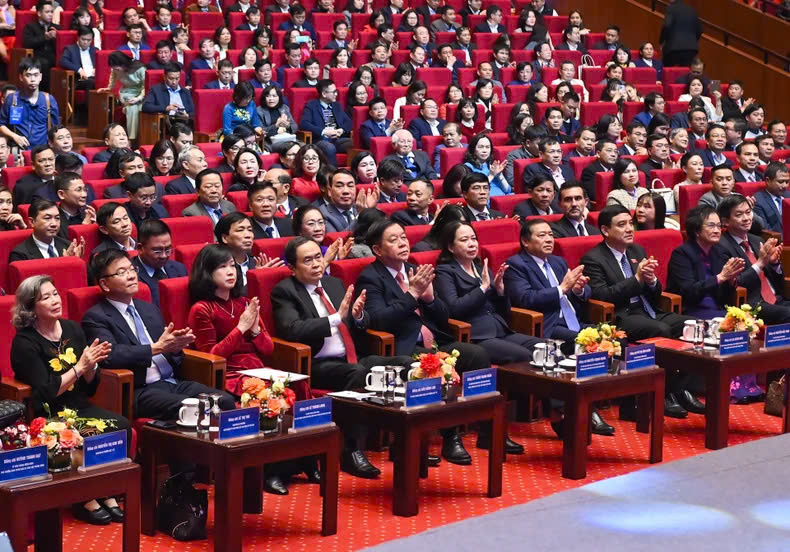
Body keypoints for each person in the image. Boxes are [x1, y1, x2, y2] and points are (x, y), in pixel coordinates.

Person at [357, 219, 505, 461]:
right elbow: (379, 321)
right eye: (393, 240)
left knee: (476, 355)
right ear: (377, 249)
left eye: (403, 237)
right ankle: (449, 437)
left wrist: (430, 300)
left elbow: (444, 317)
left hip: (435, 341)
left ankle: (487, 431)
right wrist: (412, 294)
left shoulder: (415, 268)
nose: (402, 243)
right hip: (403, 346)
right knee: (432, 366)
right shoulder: (371, 277)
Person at [272, 236, 415, 477]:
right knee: (357, 373)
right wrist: (336, 318)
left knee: (407, 365)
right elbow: (292, 329)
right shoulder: (285, 291)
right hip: (317, 364)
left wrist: (358, 317)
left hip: (353, 357)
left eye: (318, 257)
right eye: (308, 260)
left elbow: (358, 325)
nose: (316, 264)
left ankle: (403, 443)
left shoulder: (334, 284)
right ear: (293, 268)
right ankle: (350, 450)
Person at [11, 275, 128, 525]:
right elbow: (45, 391)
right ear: (31, 308)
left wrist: (91, 367)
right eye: (46, 297)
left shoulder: (73, 329)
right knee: (79, 434)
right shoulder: (24, 342)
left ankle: (105, 491)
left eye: (55, 293)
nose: (55, 300)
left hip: (79, 405)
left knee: (121, 425)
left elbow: (90, 387)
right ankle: (84, 498)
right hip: (50, 413)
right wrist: (80, 367)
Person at [82, 246, 236, 428]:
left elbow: (171, 354)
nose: (131, 276)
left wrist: (176, 348)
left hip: (172, 381)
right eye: (122, 272)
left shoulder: (149, 309)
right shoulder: (96, 317)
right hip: (140, 389)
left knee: (224, 400)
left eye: (132, 269)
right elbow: (110, 355)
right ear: (105, 284)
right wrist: (157, 348)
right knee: (193, 408)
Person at [581, 204, 700, 418]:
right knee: (660, 330)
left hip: (648, 310)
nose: (629, 229)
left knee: (691, 325)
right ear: (605, 230)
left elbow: (654, 293)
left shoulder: (637, 250)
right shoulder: (593, 258)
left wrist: (651, 280)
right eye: (622, 225)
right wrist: (636, 279)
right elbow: (602, 296)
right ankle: (664, 394)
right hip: (621, 316)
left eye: (630, 223)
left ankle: (679, 388)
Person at [435, 220, 539, 367]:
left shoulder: (481, 268)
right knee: (523, 356)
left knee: (544, 347)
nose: (472, 244)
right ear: (451, 247)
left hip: (500, 330)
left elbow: (504, 312)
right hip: (476, 336)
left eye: (474, 239)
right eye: (464, 240)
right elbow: (454, 309)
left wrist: (500, 292)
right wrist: (483, 288)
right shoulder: (445, 272)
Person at [716, 195, 790, 324]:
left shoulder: (757, 240)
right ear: (725, 221)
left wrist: (774, 264)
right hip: (751, 304)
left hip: (777, 299)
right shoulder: (720, 247)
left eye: (748, 212)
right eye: (739, 215)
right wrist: (760, 263)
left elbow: (778, 284)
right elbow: (735, 284)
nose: (746, 218)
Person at [0, 58, 60, 150]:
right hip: (18, 150)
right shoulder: (12, 99)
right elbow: (1, 124)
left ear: (40, 77)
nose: (32, 79)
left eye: (36, 75)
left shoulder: (49, 100)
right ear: (21, 77)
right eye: (28, 75)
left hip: (43, 151)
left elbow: (56, 129)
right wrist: (14, 136)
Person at [130, 220, 187, 308]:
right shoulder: (130, 276)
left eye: (168, 249)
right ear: (140, 248)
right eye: (157, 251)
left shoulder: (179, 269)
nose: (164, 256)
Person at [10, 198, 85, 262]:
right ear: (32, 222)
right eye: (47, 218)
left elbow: (87, 274)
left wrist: (76, 263)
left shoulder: (68, 246)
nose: (54, 224)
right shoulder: (20, 255)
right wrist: (65, 263)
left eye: (57, 218)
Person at [299, 80, 352, 167]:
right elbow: (304, 124)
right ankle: (332, 173)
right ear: (324, 94)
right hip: (321, 140)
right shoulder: (311, 105)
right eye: (334, 92)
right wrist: (324, 132)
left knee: (354, 144)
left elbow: (349, 122)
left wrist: (341, 130)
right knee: (329, 148)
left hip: (337, 139)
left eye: (336, 91)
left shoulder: (336, 105)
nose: (336, 94)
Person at [97, 52, 145, 141]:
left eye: (117, 67)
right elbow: (113, 76)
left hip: (142, 93)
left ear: (124, 63)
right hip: (127, 93)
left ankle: (140, 137)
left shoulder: (139, 68)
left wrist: (138, 98)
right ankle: (132, 138)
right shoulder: (115, 69)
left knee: (140, 107)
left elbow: (145, 86)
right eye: (114, 67)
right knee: (132, 108)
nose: (116, 69)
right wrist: (109, 87)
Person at [22, 1, 59, 91]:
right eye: (47, 12)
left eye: (51, 12)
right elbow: (28, 43)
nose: (50, 14)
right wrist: (45, 38)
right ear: (39, 13)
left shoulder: (57, 28)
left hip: (53, 56)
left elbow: (61, 46)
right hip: (37, 56)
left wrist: (57, 37)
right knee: (44, 63)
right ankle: (44, 93)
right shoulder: (30, 27)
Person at [660, 0, 702, 67]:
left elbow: (667, 25)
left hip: (673, 49)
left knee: (668, 71)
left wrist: (662, 41)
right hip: (691, 49)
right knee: (686, 72)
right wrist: (692, 41)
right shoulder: (692, 10)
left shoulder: (671, 8)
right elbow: (699, 29)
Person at [753, 162, 790, 234]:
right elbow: (766, 230)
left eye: (787, 182)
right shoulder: (758, 201)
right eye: (780, 181)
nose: (785, 186)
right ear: (768, 180)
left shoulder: (789, 195)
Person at [54, 172, 94, 237]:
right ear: (61, 194)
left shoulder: (88, 214)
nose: (84, 195)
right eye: (78, 190)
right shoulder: (53, 220)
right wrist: (84, 229)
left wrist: (95, 226)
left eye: (85, 189)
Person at [58, 25, 96, 91]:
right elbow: (63, 61)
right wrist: (79, 70)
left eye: (89, 40)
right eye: (83, 39)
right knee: (91, 82)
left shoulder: (95, 50)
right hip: (79, 79)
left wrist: (97, 70)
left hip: (94, 77)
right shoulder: (70, 49)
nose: (85, 42)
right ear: (78, 38)